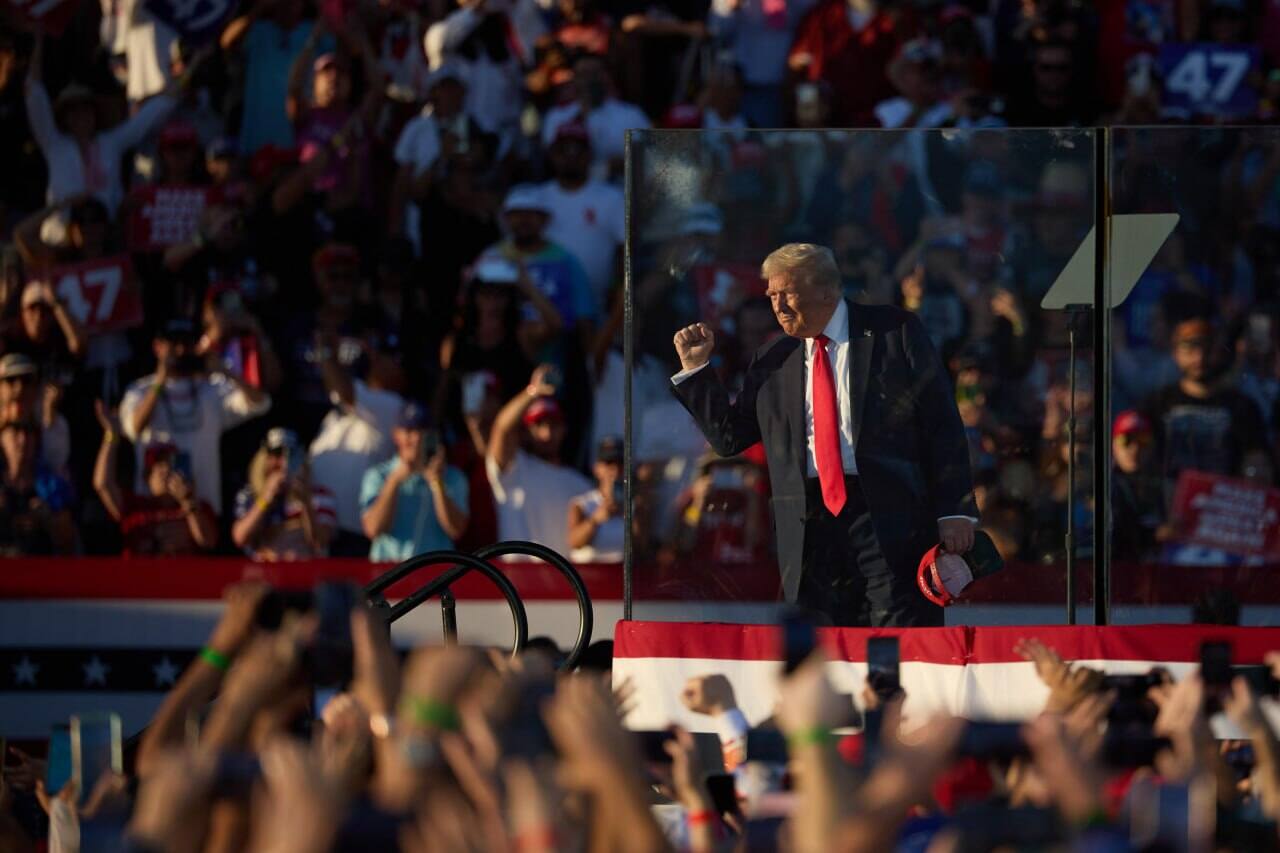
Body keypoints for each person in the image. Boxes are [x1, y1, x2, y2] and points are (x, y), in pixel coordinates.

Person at [671, 243, 976, 626]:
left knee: (901, 641)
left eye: (788, 293)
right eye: (771, 296)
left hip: (889, 514)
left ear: (827, 289)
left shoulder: (893, 332)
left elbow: (942, 424)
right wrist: (697, 371)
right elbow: (729, 438)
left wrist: (955, 509)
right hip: (808, 525)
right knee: (825, 651)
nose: (777, 306)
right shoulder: (772, 358)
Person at [119, 318, 272, 515]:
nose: (181, 351)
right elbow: (134, 428)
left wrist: (224, 371)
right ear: (158, 347)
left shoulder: (213, 387)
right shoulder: (139, 390)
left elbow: (260, 404)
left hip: (203, 510)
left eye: (187, 344)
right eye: (174, 345)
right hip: (154, 511)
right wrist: (160, 380)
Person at [1142, 316, 1271, 489]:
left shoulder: (1242, 407)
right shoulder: (1157, 404)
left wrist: (1255, 472)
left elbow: (1257, 463)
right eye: (1190, 350)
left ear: (1221, 352)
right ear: (1175, 354)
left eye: (1208, 349)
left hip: (1223, 506)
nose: (1199, 358)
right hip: (1169, 507)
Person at [486, 365, 592, 557]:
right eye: (539, 424)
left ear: (564, 429)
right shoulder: (514, 468)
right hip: (516, 579)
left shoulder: (581, 484)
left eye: (554, 424)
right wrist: (533, 391)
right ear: (526, 432)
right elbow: (501, 428)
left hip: (563, 580)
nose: (547, 433)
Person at [93, 403, 218, 556]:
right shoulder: (134, 505)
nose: (166, 469)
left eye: (171, 464)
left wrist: (188, 502)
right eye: (159, 466)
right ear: (147, 478)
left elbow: (207, 542)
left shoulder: (199, 507)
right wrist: (111, 435)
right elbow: (103, 484)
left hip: (183, 577)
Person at [359, 402, 470, 561]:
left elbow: (456, 529)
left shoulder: (453, 477)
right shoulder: (378, 476)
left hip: (435, 579)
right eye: (409, 431)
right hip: (389, 578)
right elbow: (373, 528)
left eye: (422, 430)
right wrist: (394, 481)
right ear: (396, 434)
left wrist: (437, 483)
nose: (417, 438)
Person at [232, 428, 336, 560]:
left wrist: (305, 502)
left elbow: (320, 543)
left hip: (305, 576)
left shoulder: (320, 496)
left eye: (291, 455)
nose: (283, 463)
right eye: (276, 454)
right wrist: (264, 500)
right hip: (262, 576)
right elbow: (240, 538)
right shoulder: (249, 494)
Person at [0, 417, 76, 555]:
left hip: (40, 568)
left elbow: (68, 541)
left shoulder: (52, 485)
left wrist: (48, 519)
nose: (23, 440)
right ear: (2, 439)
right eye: (15, 432)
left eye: (28, 433)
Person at [1110, 410, 1163, 562]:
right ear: (1113, 444)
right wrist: (1156, 535)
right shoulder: (1101, 485)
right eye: (1125, 440)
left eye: (1143, 440)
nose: (1134, 449)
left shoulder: (1166, 487)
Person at [567, 434, 625, 561]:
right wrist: (596, 519)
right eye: (609, 463)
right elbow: (574, 542)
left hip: (621, 576)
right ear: (597, 468)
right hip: (589, 577)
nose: (615, 469)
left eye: (620, 463)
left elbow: (643, 548)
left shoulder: (636, 505)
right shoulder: (581, 504)